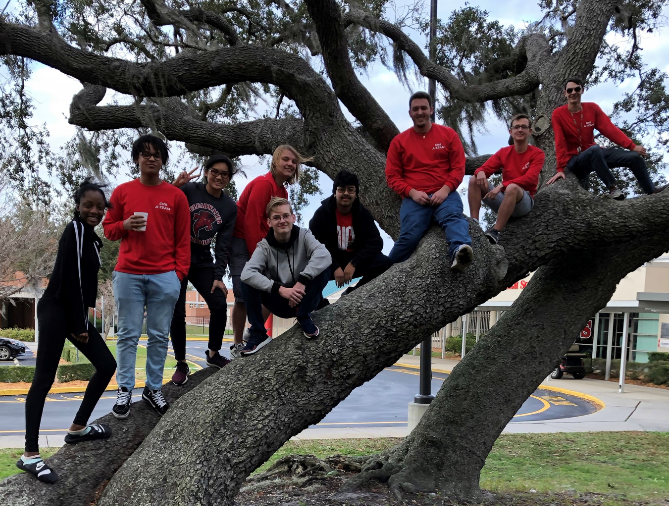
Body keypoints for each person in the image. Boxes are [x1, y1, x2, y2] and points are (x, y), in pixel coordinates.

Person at [17, 179, 117, 484]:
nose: (94, 211)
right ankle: (30, 455)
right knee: (44, 379)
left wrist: (82, 318)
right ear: (77, 205)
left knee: (106, 365)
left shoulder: (91, 238)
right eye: (88, 205)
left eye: (100, 207)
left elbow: (85, 283)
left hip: (73, 313)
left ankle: (77, 429)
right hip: (56, 309)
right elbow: (72, 276)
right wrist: (78, 323)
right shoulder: (75, 229)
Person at [103, 134, 190, 418]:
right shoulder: (122, 192)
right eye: (145, 153)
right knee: (127, 334)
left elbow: (183, 242)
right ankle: (125, 389)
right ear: (137, 159)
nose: (151, 158)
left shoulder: (176, 196)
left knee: (158, 336)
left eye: (156, 154)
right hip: (128, 274)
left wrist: (178, 275)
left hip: (164, 276)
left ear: (163, 160)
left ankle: (153, 389)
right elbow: (108, 229)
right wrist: (125, 224)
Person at [229, 145, 311, 358]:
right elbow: (250, 223)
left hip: (264, 243)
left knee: (276, 286)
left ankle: (253, 331)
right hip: (241, 240)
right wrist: (258, 261)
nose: (290, 164)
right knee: (243, 290)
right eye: (286, 159)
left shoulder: (282, 191)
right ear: (275, 161)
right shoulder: (264, 184)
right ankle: (237, 344)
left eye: (294, 162)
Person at [169, 154, 238, 386]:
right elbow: (163, 205)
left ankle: (213, 354)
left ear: (229, 178)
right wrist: (175, 186)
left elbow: (224, 242)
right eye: (215, 171)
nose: (219, 176)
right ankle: (181, 363)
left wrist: (219, 275)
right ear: (207, 172)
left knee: (219, 303)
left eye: (224, 174)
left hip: (202, 261)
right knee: (177, 312)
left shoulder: (229, 207)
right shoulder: (189, 190)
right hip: (177, 257)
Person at [385, 91, 473, 270]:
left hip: (445, 194)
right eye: (415, 109)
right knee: (409, 236)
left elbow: (458, 168)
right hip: (415, 198)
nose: (420, 112)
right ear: (410, 112)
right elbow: (392, 176)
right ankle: (382, 270)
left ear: (431, 110)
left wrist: (446, 189)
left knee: (453, 218)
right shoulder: (399, 142)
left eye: (423, 108)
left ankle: (460, 252)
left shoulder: (448, 135)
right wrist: (412, 193)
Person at [240, 198, 331, 355]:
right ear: (269, 222)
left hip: (305, 299)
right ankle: (258, 333)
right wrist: (280, 289)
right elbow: (247, 273)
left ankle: (304, 316)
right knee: (247, 281)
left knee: (324, 267)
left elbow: (324, 255)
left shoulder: (304, 235)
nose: (282, 221)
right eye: (276, 217)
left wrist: (302, 281)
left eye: (285, 216)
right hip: (281, 303)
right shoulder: (264, 246)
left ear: (293, 217)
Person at [546, 78, 664, 199]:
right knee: (594, 150)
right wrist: (560, 168)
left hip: (595, 153)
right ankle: (613, 189)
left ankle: (651, 190)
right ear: (565, 93)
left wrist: (632, 146)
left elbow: (610, 130)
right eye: (569, 90)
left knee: (634, 158)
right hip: (575, 160)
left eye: (577, 89)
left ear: (582, 90)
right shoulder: (558, 114)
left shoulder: (592, 108)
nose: (573, 92)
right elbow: (559, 141)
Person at [309, 169, 392, 292]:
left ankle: (354, 293)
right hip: (329, 261)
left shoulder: (363, 214)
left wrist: (355, 263)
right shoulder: (322, 214)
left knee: (385, 263)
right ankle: (320, 306)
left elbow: (376, 242)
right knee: (307, 271)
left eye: (350, 190)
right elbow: (313, 244)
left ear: (356, 193)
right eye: (341, 189)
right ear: (335, 192)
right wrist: (334, 266)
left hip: (355, 260)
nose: (346, 193)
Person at [468, 114, 545, 244]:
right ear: (511, 131)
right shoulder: (504, 152)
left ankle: (496, 231)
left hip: (524, 202)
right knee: (473, 180)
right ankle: (474, 225)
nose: (520, 130)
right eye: (516, 127)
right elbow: (484, 169)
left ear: (530, 131)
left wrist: (502, 186)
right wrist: (480, 172)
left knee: (512, 187)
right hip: (505, 199)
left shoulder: (537, 154)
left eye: (524, 127)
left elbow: (531, 178)